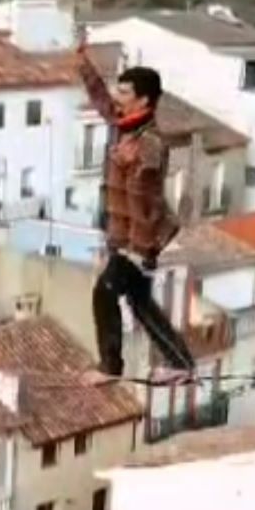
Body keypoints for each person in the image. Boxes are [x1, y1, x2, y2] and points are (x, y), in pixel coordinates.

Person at [74, 34, 198, 381]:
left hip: (138, 242)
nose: (118, 97)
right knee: (140, 303)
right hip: (125, 239)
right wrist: (84, 63)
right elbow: (101, 101)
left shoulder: (150, 143)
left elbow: (148, 201)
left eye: (125, 93)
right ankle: (181, 364)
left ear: (144, 100)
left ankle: (111, 367)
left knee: (105, 292)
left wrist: (140, 251)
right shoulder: (124, 125)